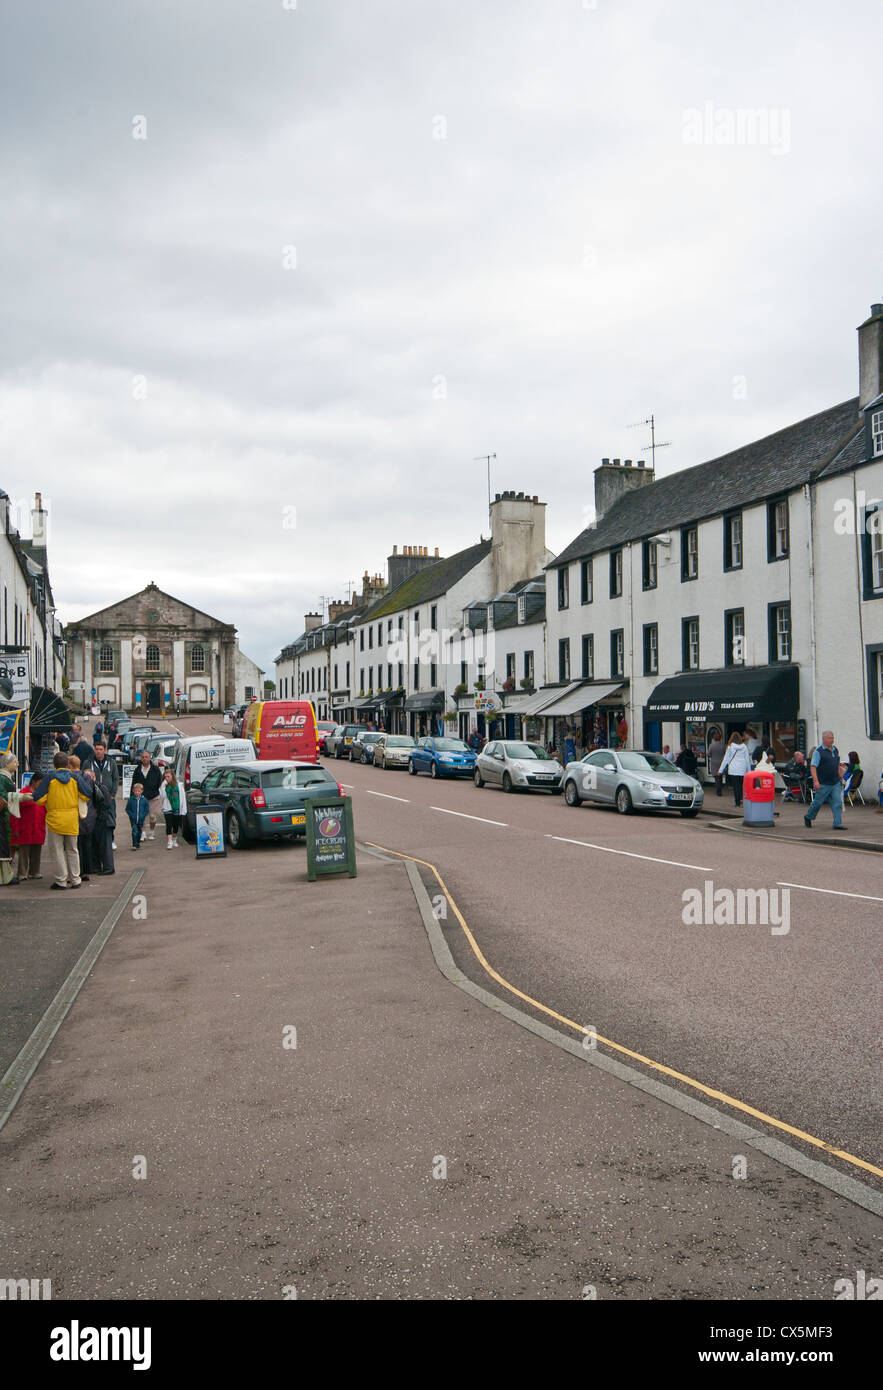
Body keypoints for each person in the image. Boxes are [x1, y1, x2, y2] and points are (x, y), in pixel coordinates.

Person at [30, 752, 91, 889]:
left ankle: (61, 880)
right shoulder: (75, 778)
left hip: (54, 819)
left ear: (54, 764)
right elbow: (87, 793)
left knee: (57, 850)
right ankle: (76, 879)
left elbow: (38, 798)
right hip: (71, 819)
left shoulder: (49, 778)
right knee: (73, 849)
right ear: (68, 764)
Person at [804, 730, 846, 829]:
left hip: (835, 782)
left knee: (837, 803)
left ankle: (837, 824)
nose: (832, 740)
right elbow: (813, 766)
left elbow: (836, 764)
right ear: (823, 739)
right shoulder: (818, 751)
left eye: (832, 738)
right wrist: (816, 781)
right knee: (818, 802)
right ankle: (808, 816)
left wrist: (840, 775)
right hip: (823, 782)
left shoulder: (835, 749)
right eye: (829, 738)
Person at [90, 741, 118, 874]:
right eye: (96, 749)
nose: (98, 751)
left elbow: (116, 778)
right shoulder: (89, 762)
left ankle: (111, 843)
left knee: (109, 824)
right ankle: (96, 865)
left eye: (101, 749)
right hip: (94, 800)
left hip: (108, 799)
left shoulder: (111, 763)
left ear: (105, 750)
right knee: (96, 835)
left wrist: (112, 794)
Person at [11, 781, 46, 880]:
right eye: (40, 782)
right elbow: (15, 812)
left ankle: (34, 871)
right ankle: (22, 873)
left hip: (38, 827)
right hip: (25, 827)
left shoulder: (42, 794)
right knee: (24, 852)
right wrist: (16, 828)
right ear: (34, 781)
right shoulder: (23, 793)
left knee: (37, 851)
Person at [131, 750, 162, 840]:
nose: (145, 759)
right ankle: (143, 833)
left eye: (146, 757)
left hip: (153, 797)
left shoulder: (155, 769)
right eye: (143, 757)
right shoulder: (137, 769)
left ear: (150, 757)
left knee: (152, 817)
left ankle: (152, 832)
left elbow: (159, 781)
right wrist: (132, 795)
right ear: (141, 758)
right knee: (141, 816)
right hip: (141, 797)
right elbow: (134, 782)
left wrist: (155, 790)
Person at [718, 731, 751, 807]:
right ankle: (741, 800)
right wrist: (749, 771)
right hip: (742, 769)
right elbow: (747, 759)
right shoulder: (744, 747)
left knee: (735, 786)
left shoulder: (730, 747)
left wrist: (720, 770)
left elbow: (726, 759)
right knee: (741, 786)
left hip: (733, 769)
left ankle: (737, 802)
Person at [0, 752, 18, 884]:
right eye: (15, 761)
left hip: (6, 815)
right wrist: (21, 797)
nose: (17, 764)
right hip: (3, 816)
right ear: (7, 764)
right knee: (3, 844)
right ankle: (5, 876)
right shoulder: (3, 778)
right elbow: (3, 796)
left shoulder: (7, 777)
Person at [161, 768, 185, 849]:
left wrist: (183, 808)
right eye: (165, 777)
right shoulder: (163, 786)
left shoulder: (178, 785)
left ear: (172, 776)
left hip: (176, 807)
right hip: (167, 807)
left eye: (168, 776)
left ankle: (174, 839)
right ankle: (170, 841)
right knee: (169, 824)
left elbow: (182, 797)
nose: (166, 778)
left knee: (175, 825)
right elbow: (163, 797)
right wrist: (164, 786)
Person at [126, 783, 149, 849]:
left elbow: (146, 809)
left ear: (142, 791)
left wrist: (143, 815)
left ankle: (138, 844)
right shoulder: (131, 799)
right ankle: (134, 845)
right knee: (134, 831)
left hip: (141, 819)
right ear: (133, 791)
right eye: (135, 791)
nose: (137, 792)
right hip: (133, 819)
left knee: (139, 832)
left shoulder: (144, 800)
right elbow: (127, 809)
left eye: (138, 791)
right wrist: (131, 815)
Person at [707, 729, 725, 796]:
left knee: (716, 777)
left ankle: (718, 790)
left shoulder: (712, 745)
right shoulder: (723, 745)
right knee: (720, 777)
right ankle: (720, 789)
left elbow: (709, 754)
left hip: (714, 763)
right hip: (721, 762)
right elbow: (725, 753)